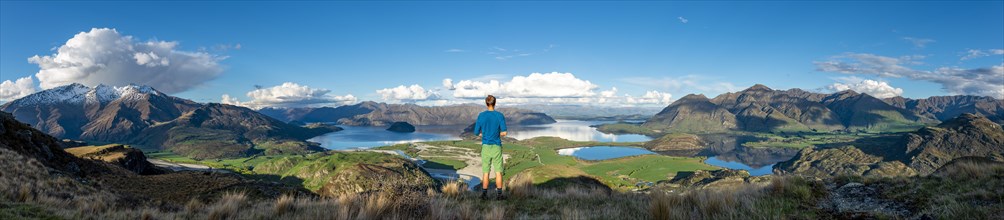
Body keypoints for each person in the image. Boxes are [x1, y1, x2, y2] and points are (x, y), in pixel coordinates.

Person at [473, 95, 507, 200]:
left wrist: (484, 135)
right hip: (496, 146)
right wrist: (496, 134)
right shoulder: (500, 115)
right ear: (495, 103)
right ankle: (499, 195)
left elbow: (476, 132)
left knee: (486, 172)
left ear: (486, 103)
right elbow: (504, 133)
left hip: (486, 147)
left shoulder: (481, 116)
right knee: (498, 172)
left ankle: (484, 195)